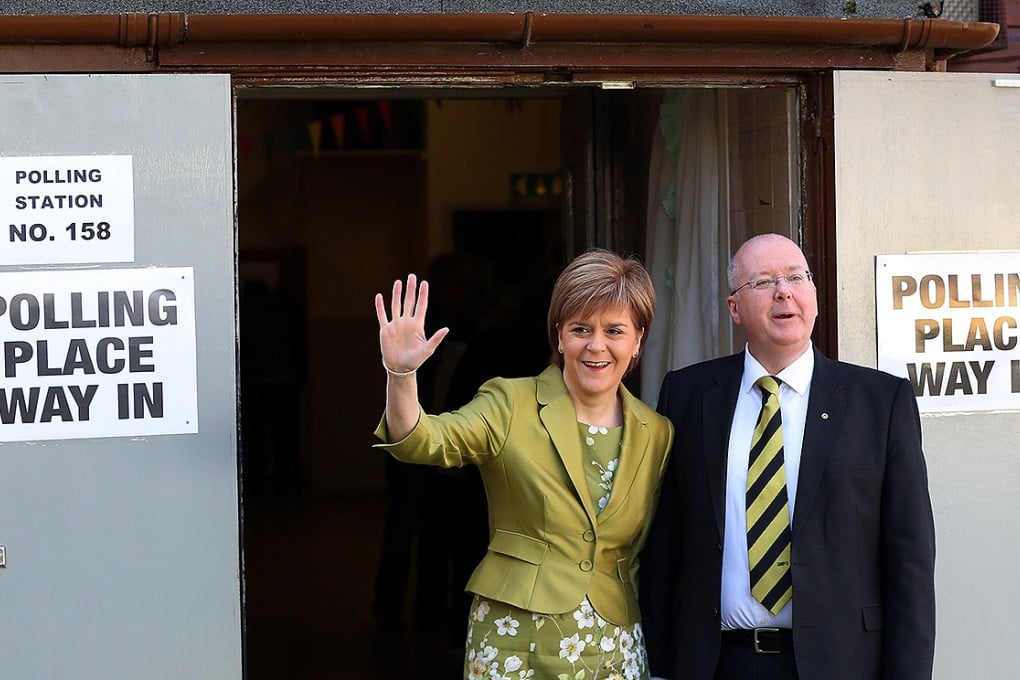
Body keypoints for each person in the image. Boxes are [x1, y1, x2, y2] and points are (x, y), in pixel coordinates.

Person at [639, 233, 936, 680]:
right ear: (734, 308)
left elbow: (909, 559)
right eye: (764, 282)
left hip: (840, 663)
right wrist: (659, 666)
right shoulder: (686, 394)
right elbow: (664, 547)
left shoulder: (880, 401)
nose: (784, 291)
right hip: (717, 662)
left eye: (797, 277)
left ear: (813, 296)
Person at [373, 248, 674, 680]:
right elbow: (421, 441)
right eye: (580, 329)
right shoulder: (510, 402)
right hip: (513, 640)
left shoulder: (657, 432)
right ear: (558, 335)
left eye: (615, 330)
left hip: (614, 644)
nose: (596, 345)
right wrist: (400, 376)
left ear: (638, 339)